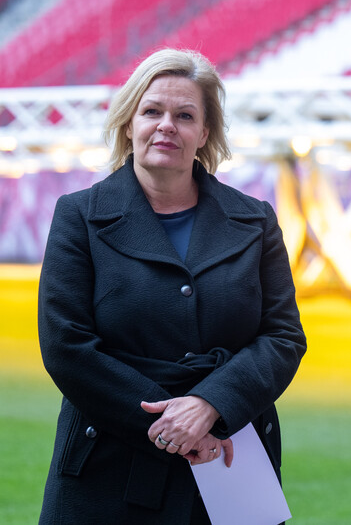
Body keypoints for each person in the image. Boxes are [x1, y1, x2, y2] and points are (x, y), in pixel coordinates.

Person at [37, 48, 307, 523]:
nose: (167, 125)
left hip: (230, 461)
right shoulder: (78, 215)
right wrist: (171, 427)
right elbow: (66, 346)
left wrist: (210, 404)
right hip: (109, 470)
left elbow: (283, 338)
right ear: (128, 124)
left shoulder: (255, 219)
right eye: (152, 111)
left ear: (204, 134)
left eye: (185, 115)